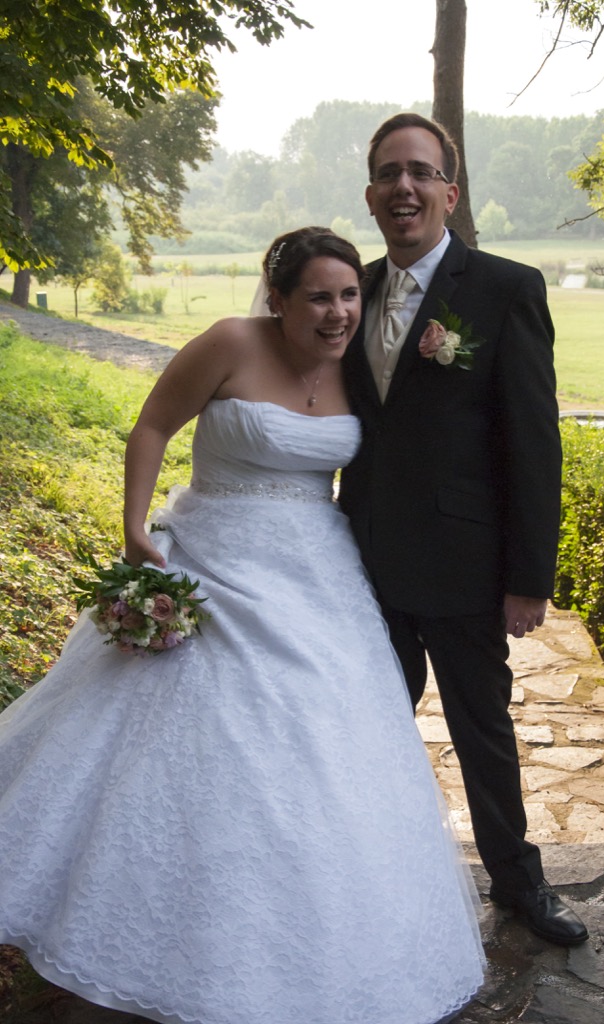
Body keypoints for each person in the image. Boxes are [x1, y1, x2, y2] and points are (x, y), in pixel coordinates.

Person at [0, 227, 485, 1024]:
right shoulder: (229, 342)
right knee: (179, 747)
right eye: (319, 298)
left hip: (318, 577)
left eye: (349, 295)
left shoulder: (363, 363)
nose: (337, 313)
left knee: (319, 755)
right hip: (211, 556)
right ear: (279, 298)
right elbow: (152, 426)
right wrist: (135, 531)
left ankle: (308, 941)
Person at [339, 114, 589, 947]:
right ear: (370, 195)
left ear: (450, 190)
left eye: (420, 171)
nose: (403, 187)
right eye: (388, 173)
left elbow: (533, 442)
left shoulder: (505, 288)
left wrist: (529, 577)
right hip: (361, 565)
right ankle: (367, 876)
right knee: (369, 729)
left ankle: (520, 884)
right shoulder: (350, 292)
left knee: (483, 731)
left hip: (464, 567)